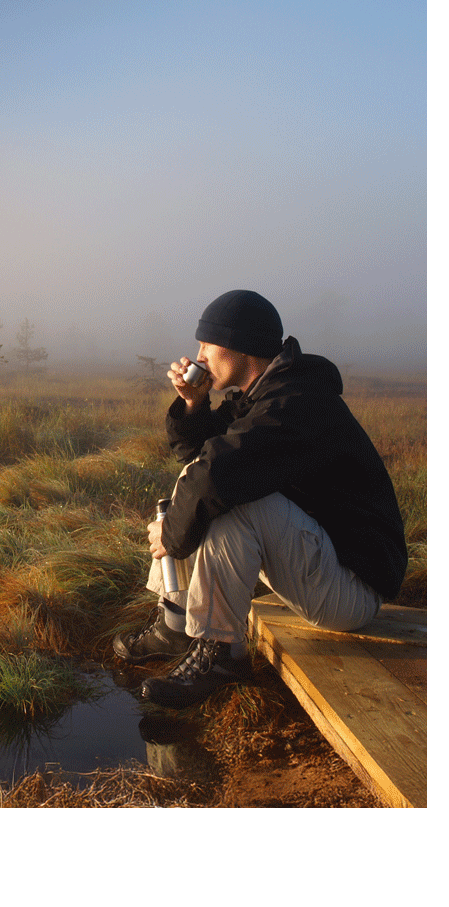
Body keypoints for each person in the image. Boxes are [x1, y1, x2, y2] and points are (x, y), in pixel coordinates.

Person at [114, 290, 408, 707]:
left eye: (207, 345)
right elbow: (198, 457)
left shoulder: (294, 403)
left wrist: (171, 537)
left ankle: (222, 655)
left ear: (239, 347)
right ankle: (176, 625)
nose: (199, 356)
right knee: (201, 478)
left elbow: (218, 476)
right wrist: (194, 404)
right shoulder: (263, 396)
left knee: (234, 499)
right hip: (320, 562)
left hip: (352, 590)